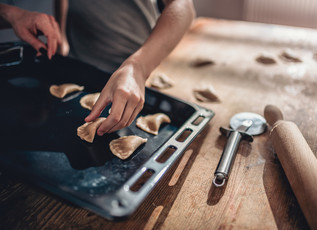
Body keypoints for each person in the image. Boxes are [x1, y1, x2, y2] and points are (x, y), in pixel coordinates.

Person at [0, 0, 195, 136]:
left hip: (144, 68)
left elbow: (183, 5)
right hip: (82, 72)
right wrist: (12, 14)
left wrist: (139, 66)